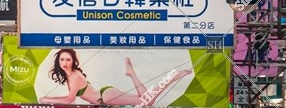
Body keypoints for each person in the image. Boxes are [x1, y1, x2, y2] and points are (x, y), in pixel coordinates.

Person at [39, 48, 192, 106]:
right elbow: (69, 96)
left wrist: (48, 99)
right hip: (106, 96)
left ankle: (172, 77)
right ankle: (131, 74)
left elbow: (69, 99)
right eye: (62, 59)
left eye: (68, 59)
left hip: (106, 97)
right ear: (58, 62)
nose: (65, 62)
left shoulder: (75, 76)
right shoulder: (71, 76)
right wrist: (49, 97)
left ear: (73, 61)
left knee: (147, 102)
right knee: (146, 99)